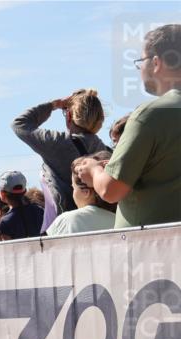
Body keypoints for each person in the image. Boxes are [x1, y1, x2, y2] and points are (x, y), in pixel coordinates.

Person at [76, 25, 181, 228]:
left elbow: (111, 190)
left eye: (141, 61)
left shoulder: (151, 115)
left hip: (154, 249)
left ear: (157, 62)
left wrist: (94, 171)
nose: (140, 68)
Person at [12, 89, 109, 232]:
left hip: (66, 226)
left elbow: (19, 124)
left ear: (69, 115)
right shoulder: (105, 152)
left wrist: (54, 105)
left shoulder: (57, 143)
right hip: (102, 224)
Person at [47, 151, 117, 237]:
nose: (73, 194)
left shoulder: (68, 220)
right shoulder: (122, 222)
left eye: (73, 188)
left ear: (85, 192)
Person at [0, 171, 44, 240]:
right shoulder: (40, 210)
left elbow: (8, 249)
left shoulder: (4, 222)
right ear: (25, 191)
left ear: (2, 194)